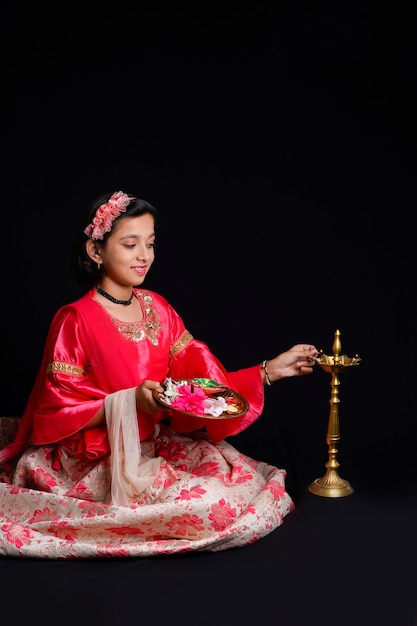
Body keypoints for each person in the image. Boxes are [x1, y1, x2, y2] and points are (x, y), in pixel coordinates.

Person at [0, 190, 318, 558]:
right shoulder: (76, 319)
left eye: (149, 244)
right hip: (89, 459)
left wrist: (268, 372)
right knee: (209, 508)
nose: (144, 256)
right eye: (130, 244)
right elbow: (53, 412)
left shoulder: (158, 308)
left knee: (239, 485)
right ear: (95, 251)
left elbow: (198, 386)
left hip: (151, 447)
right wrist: (128, 400)